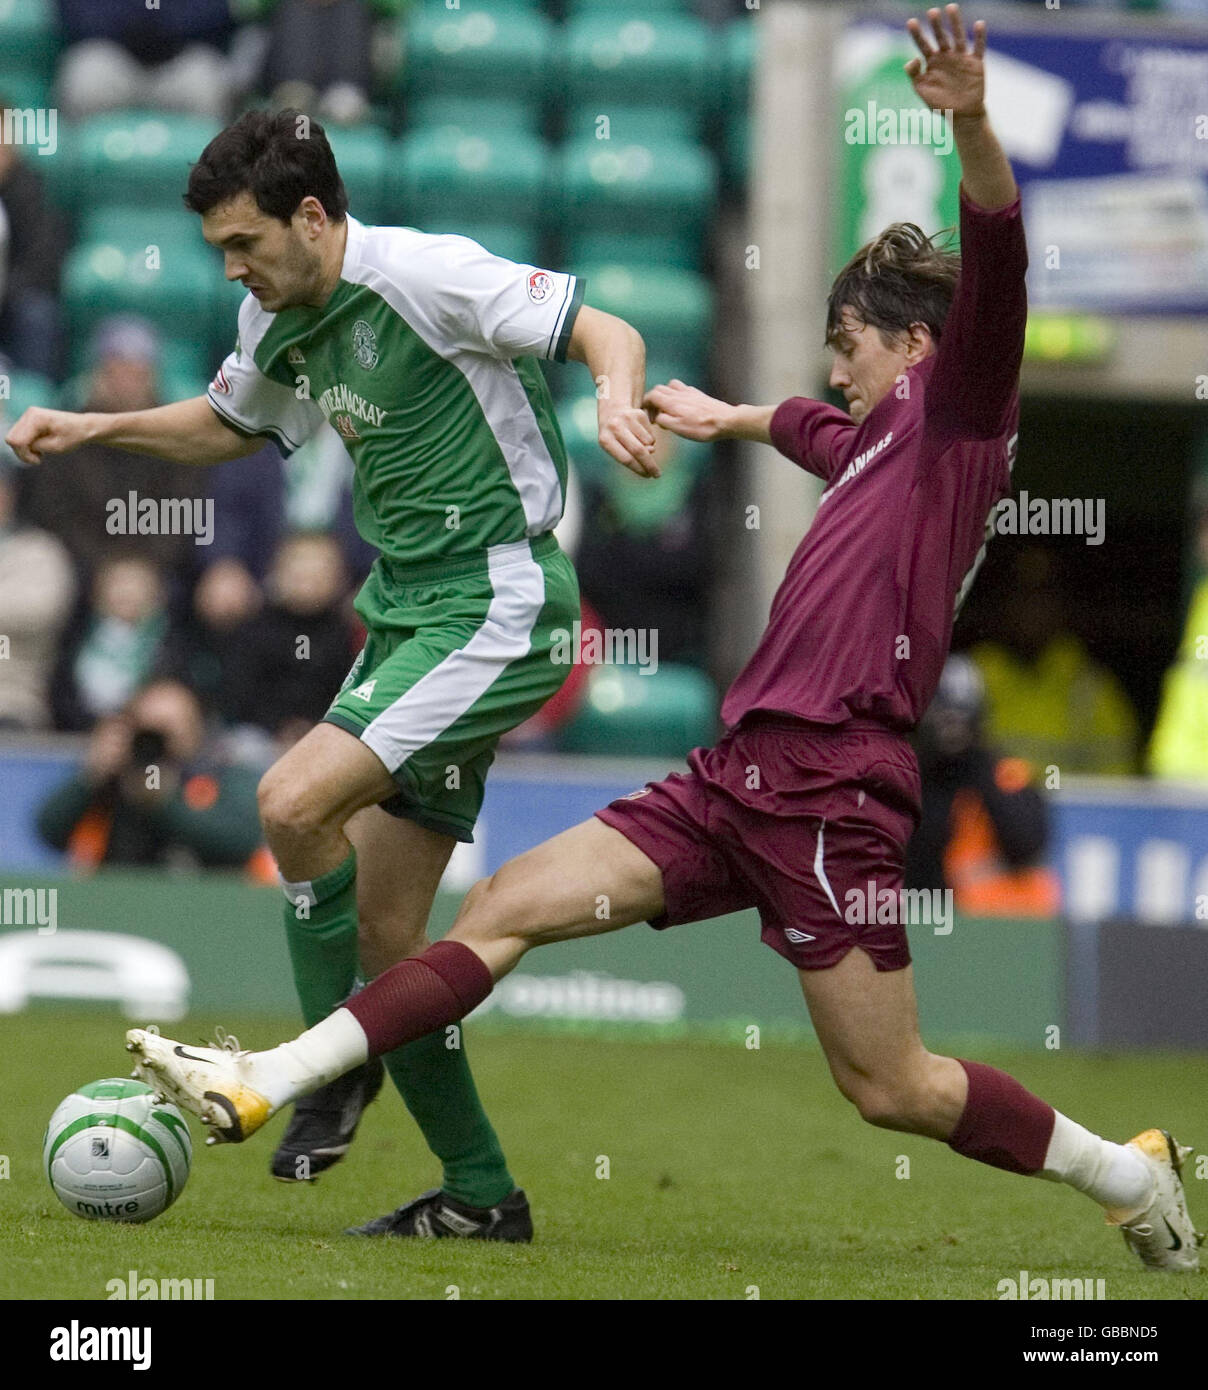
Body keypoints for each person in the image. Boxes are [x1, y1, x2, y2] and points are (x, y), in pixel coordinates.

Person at [125, 8, 1199, 1273]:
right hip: (735, 772)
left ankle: (1128, 1178)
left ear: (917, 346)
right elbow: (810, 428)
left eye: (847, 350)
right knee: (505, 908)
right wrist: (726, 414)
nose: (836, 376)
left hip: (834, 784)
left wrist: (965, 118)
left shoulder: (960, 411)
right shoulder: (873, 440)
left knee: (892, 1084)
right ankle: (272, 1076)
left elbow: (994, 247)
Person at [6, 108, 657, 1240]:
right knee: (389, 943)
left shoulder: (427, 275)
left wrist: (611, 403)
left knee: (289, 797)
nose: (233, 268)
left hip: (498, 596)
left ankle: (318, 1067)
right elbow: (227, 425)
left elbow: (606, 329)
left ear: (313, 216)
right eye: (219, 250)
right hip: (406, 610)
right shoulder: (277, 315)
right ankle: (479, 1196)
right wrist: (90, 428)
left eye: (245, 243)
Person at [37, 678, 264, 871]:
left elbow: (244, 840)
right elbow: (48, 831)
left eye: (168, 730)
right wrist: (91, 777)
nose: (156, 743)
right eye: (148, 730)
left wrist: (165, 801)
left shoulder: (219, 775)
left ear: (196, 731)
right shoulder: (112, 779)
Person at [905, 653, 1059, 916]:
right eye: (943, 718)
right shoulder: (908, 779)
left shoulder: (1005, 775)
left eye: (960, 718)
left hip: (1001, 923)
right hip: (926, 920)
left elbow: (1027, 844)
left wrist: (980, 768)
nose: (952, 730)